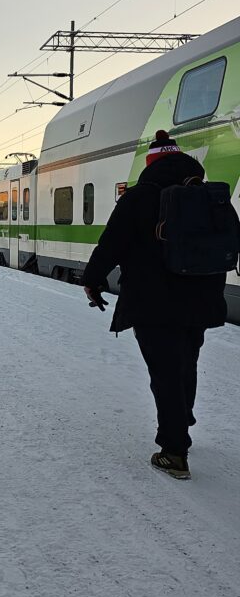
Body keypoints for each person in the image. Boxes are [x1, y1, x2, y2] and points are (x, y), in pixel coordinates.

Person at [82, 130, 229, 480]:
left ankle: (174, 451)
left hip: (153, 301)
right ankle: (183, 417)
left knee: (163, 372)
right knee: (186, 362)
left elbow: (111, 244)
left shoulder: (138, 198)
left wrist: (93, 279)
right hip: (200, 299)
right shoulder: (208, 196)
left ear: (151, 164)